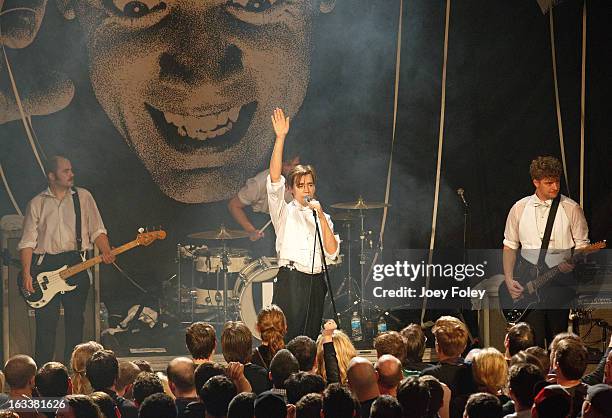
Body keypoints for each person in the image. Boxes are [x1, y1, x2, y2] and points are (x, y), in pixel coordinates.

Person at [18, 156, 115, 365]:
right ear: (51, 176)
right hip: (46, 266)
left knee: (75, 322)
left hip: (76, 263)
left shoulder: (83, 197)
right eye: (66, 171)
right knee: (46, 325)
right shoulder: (37, 203)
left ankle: (73, 374)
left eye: (71, 170)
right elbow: (27, 242)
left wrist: (106, 250)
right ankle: (44, 375)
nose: (71, 174)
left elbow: (97, 229)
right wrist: (27, 272)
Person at [267, 107, 340, 340]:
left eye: (310, 184)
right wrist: (280, 138)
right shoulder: (284, 212)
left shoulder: (322, 217)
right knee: (286, 338)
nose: (306, 189)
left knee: (310, 338)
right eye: (301, 185)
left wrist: (320, 216)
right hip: (292, 280)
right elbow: (275, 179)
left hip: (315, 281)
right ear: (292, 189)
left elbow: (332, 251)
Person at [503, 156, 589, 347]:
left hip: (560, 283)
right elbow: (509, 246)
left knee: (558, 343)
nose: (555, 187)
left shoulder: (571, 208)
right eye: (549, 183)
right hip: (529, 281)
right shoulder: (519, 208)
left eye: (557, 182)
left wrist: (574, 262)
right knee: (531, 343)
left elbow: (583, 245)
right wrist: (509, 279)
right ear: (536, 182)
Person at [228, 154, 300, 243]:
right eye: (288, 165)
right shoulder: (260, 182)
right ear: (280, 164)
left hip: (284, 223)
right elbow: (234, 205)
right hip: (260, 222)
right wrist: (251, 230)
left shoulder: (301, 181)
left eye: (296, 165)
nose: (292, 169)